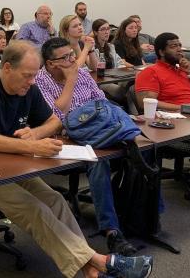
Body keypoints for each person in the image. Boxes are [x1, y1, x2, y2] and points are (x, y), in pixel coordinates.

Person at [0, 40, 153, 278]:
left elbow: (55, 120)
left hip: (9, 163)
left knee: (56, 199)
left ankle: (91, 269)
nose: (32, 81)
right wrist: (31, 144)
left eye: (34, 75)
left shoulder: (27, 87)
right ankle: (101, 261)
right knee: (33, 208)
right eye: (27, 75)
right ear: (6, 68)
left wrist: (35, 133)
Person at [35, 37, 139, 256]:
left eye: (73, 54)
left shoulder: (82, 73)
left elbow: (101, 99)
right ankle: (112, 231)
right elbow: (55, 117)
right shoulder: (40, 81)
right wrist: (70, 80)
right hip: (65, 138)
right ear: (51, 63)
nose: (73, 60)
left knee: (141, 147)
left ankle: (140, 216)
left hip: (98, 129)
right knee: (98, 160)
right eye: (66, 57)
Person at [92, 19, 127, 103]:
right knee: (119, 91)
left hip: (113, 78)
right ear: (96, 32)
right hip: (99, 82)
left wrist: (123, 72)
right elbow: (90, 69)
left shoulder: (111, 47)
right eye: (103, 29)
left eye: (108, 29)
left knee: (131, 85)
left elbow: (119, 63)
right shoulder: (91, 49)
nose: (107, 32)